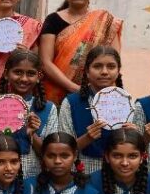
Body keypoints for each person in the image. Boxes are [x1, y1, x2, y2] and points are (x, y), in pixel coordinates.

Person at [39, 0, 123, 104]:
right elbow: (45, 62)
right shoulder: (53, 20)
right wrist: (74, 88)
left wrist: (91, 90)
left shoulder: (104, 21)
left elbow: (114, 60)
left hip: (96, 93)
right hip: (56, 92)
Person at [58, 45, 142, 174]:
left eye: (111, 66)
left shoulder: (127, 103)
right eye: (97, 66)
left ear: (119, 70)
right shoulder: (71, 102)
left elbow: (137, 149)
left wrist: (134, 135)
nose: (104, 71)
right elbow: (62, 150)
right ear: (87, 71)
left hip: (119, 173)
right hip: (81, 173)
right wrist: (87, 138)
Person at [0, 50, 58, 178]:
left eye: (31, 74)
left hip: (34, 179)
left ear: (39, 76)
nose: (23, 79)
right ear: (6, 74)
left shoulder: (48, 109)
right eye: (18, 72)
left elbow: (51, 155)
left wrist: (32, 134)